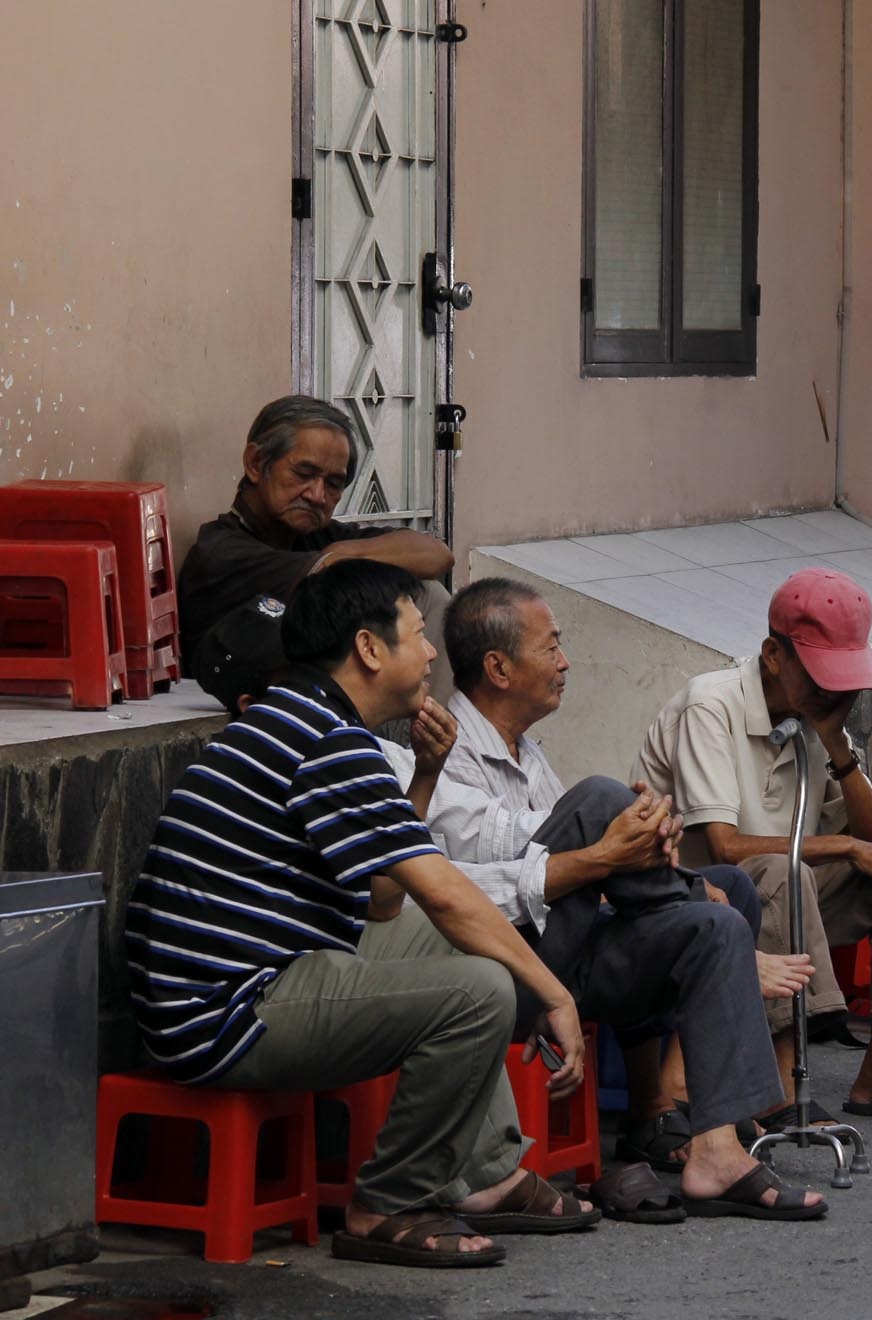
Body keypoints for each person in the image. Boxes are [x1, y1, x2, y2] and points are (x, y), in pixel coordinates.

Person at [125, 560, 595, 1269]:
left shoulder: (307, 722)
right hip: (226, 1013)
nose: (433, 653)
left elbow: (384, 899)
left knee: (451, 948)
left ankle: (488, 1175)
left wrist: (427, 777)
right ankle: (388, 1204)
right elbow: (439, 889)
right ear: (370, 649)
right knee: (481, 989)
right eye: (416, 634)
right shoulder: (325, 739)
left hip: (246, 985)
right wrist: (555, 993)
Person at [426, 578, 825, 1220]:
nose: (565, 662)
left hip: (565, 955)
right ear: (497, 668)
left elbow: (581, 869)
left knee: (721, 915)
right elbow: (493, 872)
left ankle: (715, 1147)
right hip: (498, 974)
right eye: (551, 647)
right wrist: (619, 834)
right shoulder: (444, 755)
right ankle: (698, 923)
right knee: (604, 800)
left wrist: (637, 839)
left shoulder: (526, 753)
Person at [636, 568, 872, 1126]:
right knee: (779, 870)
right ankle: (776, 1084)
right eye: (821, 676)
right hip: (700, 899)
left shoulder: (810, 722)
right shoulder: (711, 705)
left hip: (782, 894)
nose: (833, 692)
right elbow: (724, 847)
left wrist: (837, 748)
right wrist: (842, 846)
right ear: (775, 655)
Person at [176, 395, 455, 688]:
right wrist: (334, 561)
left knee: (426, 592)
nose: (317, 496)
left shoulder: (318, 536)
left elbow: (438, 555)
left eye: (334, 484)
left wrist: (341, 553)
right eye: (303, 474)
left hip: (329, 704)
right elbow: (324, 572)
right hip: (258, 713)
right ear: (255, 463)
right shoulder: (221, 552)